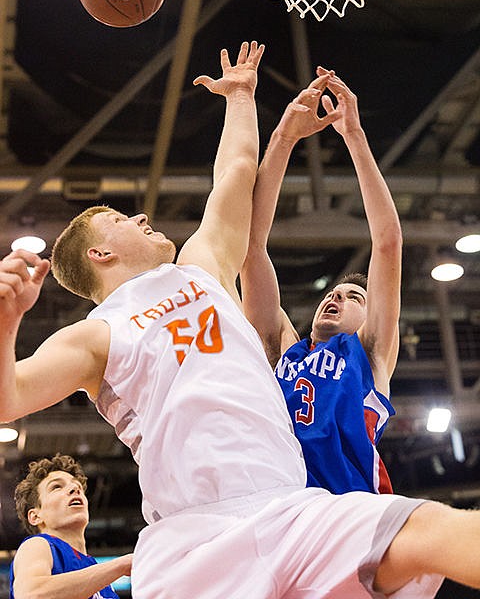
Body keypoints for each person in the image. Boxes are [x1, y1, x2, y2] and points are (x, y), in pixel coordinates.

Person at [0, 40, 479, 599]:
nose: (141, 214)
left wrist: (241, 98)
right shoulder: (92, 334)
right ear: (99, 255)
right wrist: (7, 324)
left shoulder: (201, 267)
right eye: (119, 219)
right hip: (192, 544)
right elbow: (10, 399)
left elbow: (235, 172)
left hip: (293, 509)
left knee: (446, 530)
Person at [241, 68, 401, 495]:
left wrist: (354, 135)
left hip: (349, 510)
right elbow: (250, 247)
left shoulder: (369, 352)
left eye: (354, 297)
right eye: (334, 292)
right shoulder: (282, 349)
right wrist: (284, 138)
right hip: (281, 507)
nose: (336, 296)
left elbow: (387, 242)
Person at [9, 453, 131, 599]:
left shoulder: (98, 574)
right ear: (35, 516)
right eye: (56, 487)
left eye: (77, 485)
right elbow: (31, 594)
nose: (74, 489)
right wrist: (121, 565)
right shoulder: (38, 545)